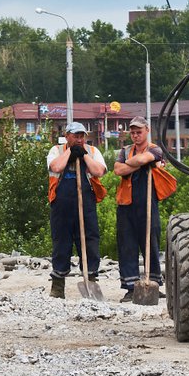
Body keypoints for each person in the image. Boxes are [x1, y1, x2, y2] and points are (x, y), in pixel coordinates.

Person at [47, 122, 107, 298]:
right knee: (61, 242)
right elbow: (56, 167)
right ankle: (58, 285)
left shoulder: (93, 151)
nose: (80, 139)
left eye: (82, 136)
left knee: (89, 241)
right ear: (67, 136)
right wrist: (70, 152)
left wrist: (84, 155)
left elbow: (99, 171)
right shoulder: (56, 150)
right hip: (61, 204)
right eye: (76, 136)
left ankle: (90, 279)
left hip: (86, 203)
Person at [113, 116, 166, 303]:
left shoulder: (155, 149)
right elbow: (118, 170)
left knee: (150, 242)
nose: (135, 135)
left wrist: (132, 164)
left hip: (147, 202)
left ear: (147, 130)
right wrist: (138, 163)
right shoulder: (124, 150)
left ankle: (152, 283)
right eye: (133, 132)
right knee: (127, 245)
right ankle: (130, 287)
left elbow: (147, 158)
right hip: (126, 204)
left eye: (139, 132)